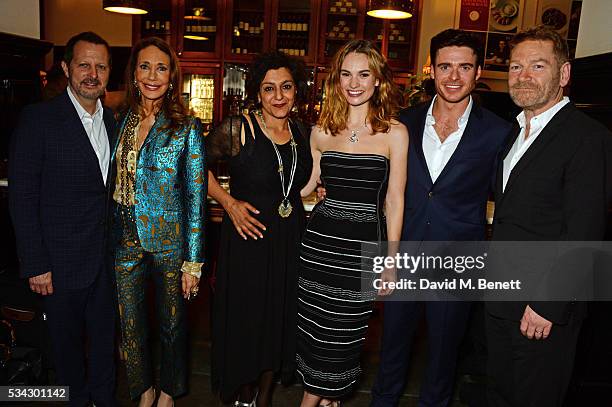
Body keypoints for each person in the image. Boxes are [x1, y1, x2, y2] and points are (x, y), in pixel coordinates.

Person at [370, 29, 512, 407]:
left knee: (443, 361)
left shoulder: (499, 132)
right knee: (391, 352)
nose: (453, 76)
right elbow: (382, 184)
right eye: (445, 66)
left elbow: (508, 198)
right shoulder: (403, 122)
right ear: (430, 69)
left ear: (478, 71)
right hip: (401, 257)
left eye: (464, 67)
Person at [486, 26, 610, 407]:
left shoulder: (588, 137)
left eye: (537, 66)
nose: (523, 76)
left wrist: (549, 304)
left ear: (564, 74)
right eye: (516, 67)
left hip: (541, 307)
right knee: (503, 395)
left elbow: (585, 230)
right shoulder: (515, 132)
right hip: (501, 297)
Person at [296, 39, 409, 407]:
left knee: (345, 337)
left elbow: (394, 200)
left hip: (362, 251)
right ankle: (320, 399)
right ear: (336, 80)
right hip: (320, 248)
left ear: (378, 80)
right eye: (346, 74)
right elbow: (306, 190)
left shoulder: (395, 133)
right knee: (315, 333)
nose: (354, 82)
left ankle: (321, 398)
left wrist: (390, 262)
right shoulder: (321, 131)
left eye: (363, 74)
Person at [9, 31, 117, 406]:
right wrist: (35, 263)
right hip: (58, 265)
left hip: (106, 262)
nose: (92, 73)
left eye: (100, 66)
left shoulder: (115, 123)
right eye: (84, 65)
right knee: (67, 355)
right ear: (67, 67)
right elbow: (22, 196)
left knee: (105, 348)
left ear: (108, 72)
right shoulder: (39, 119)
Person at [208, 51, 312, 407]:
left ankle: (262, 399)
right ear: (257, 93)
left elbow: (294, 181)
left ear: (297, 90)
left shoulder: (301, 131)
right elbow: (193, 167)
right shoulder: (239, 129)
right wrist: (228, 202)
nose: (279, 96)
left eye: (286, 87)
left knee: (278, 319)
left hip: (288, 239)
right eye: (270, 89)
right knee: (247, 321)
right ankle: (239, 393)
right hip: (247, 240)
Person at [110, 37, 206, 407]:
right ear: (134, 73)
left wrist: (193, 262)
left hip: (170, 242)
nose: (152, 75)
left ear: (172, 77)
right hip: (124, 238)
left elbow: (196, 197)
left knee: (172, 326)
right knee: (130, 325)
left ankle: (168, 391)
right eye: (145, 66)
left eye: (161, 68)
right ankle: (143, 390)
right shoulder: (118, 120)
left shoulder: (186, 127)